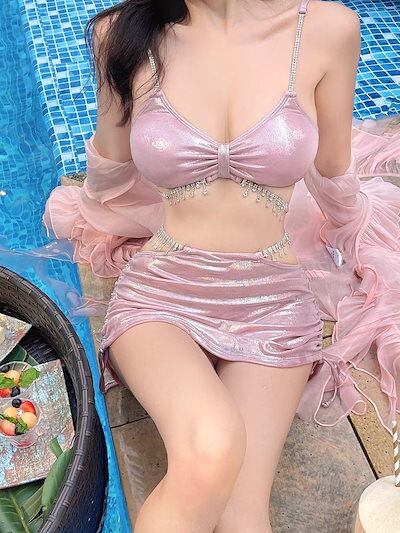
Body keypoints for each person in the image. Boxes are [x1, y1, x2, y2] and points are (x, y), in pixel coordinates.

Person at [42, 0, 400, 531]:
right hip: (163, 290)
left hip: (273, 299)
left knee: (242, 515)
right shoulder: (122, 33)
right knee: (210, 446)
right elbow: (107, 175)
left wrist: (369, 251)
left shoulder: (329, 29)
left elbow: (333, 174)